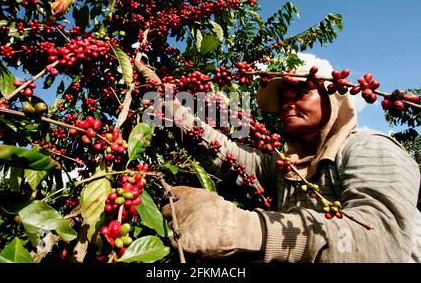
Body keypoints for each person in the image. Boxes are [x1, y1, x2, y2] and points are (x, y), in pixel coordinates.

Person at [135, 57, 421, 263]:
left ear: (332, 99)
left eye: (301, 93)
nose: (288, 103)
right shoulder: (287, 166)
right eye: (283, 97)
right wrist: (167, 104)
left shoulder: (371, 149)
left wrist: (243, 229)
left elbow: (379, 244)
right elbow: (225, 155)